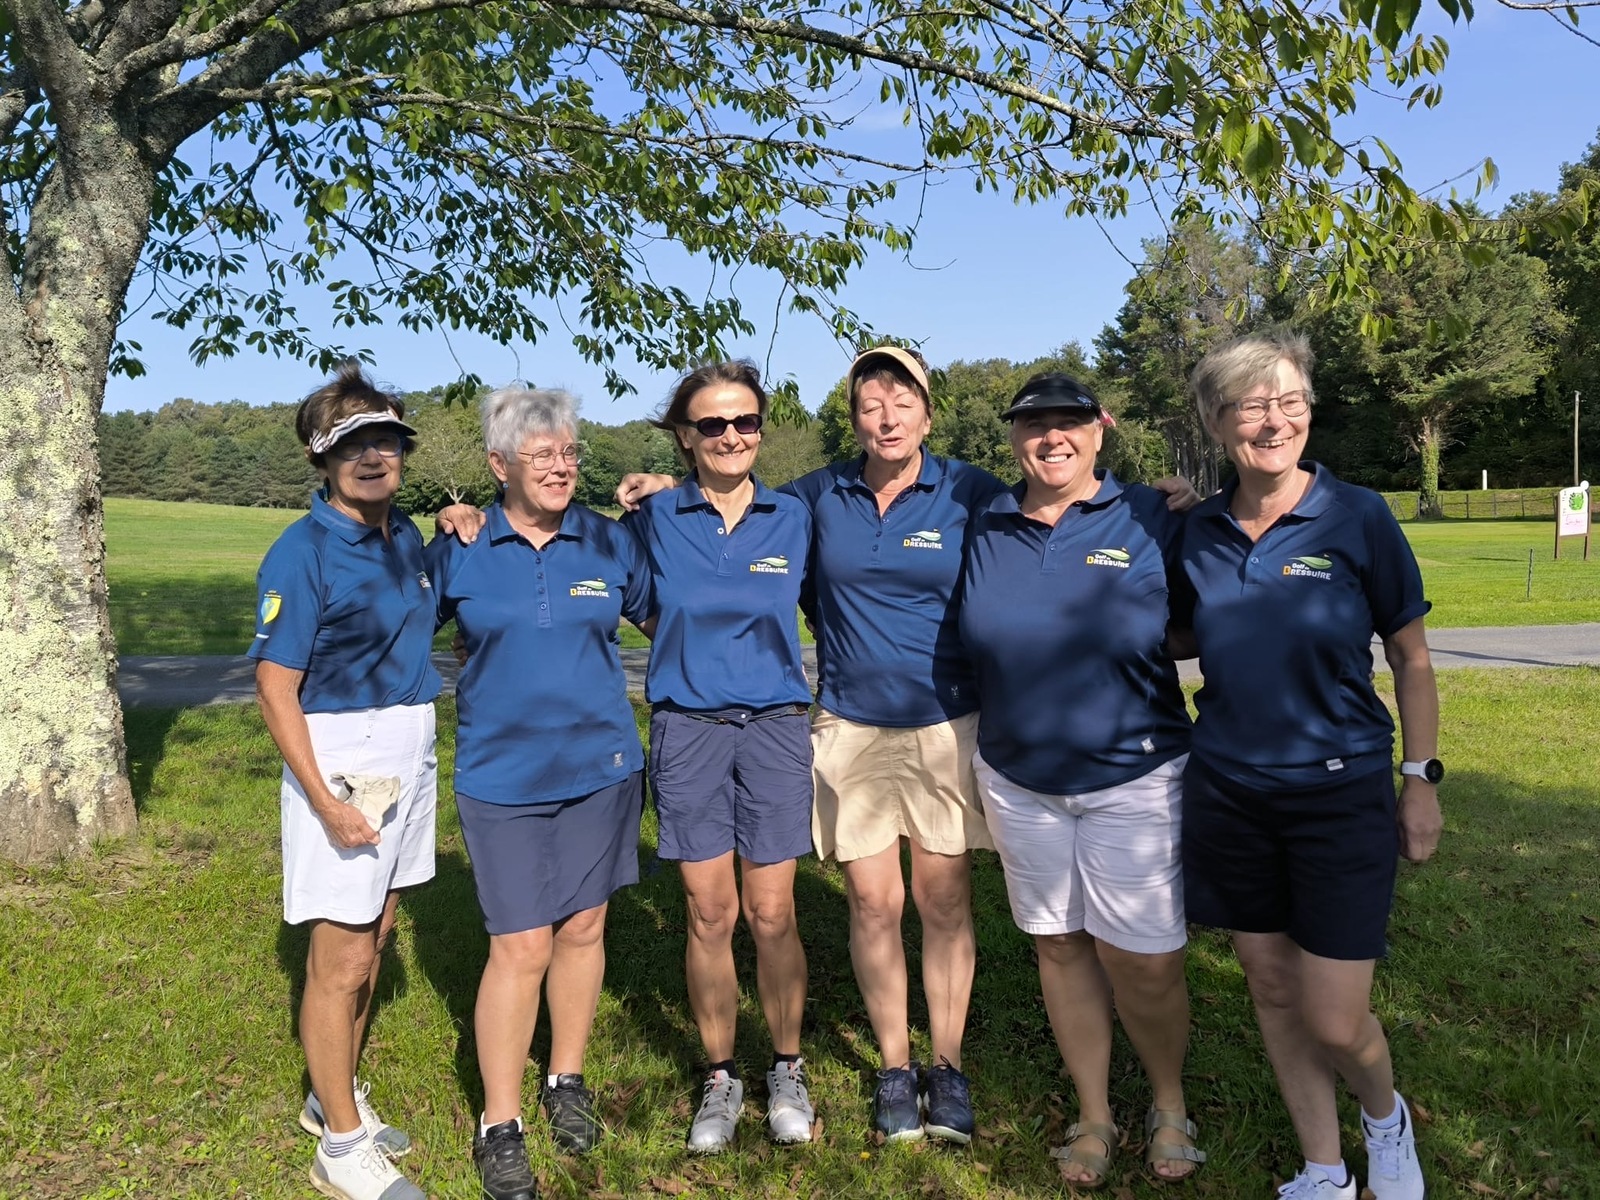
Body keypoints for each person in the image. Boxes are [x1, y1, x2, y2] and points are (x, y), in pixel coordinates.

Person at [617, 346, 1198, 1146]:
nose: (886, 418)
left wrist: (1165, 500)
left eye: (903, 402)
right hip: (851, 724)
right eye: (869, 405)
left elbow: (1059, 505)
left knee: (944, 901)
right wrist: (662, 488)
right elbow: (738, 507)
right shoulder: (819, 497)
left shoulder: (972, 491)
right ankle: (895, 1066)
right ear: (853, 418)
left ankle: (947, 1065)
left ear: (928, 411)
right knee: (873, 902)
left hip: (948, 722)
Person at [1179, 330, 1442, 1200]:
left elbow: (1410, 656)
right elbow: (1170, 624)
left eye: (1289, 400)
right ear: (1219, 422)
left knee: (1335, 1014)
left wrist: (1421, 778)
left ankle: (1384, 1116)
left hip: (1341, 791)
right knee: (1272, 988)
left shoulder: (1357, 514)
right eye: (1252, 405)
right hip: (1229, 791)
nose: (1274, 419)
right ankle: (1324, 1170)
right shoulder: (1198, 530)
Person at [957, 372, 1205, 1189]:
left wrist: (1195, 499)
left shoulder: (1149, 517)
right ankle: (1094, 1111)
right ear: (1014, 438)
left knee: (1144, 957)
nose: (1051, 438)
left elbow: (1213, 607)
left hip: (1132, 772)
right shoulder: (982, 521)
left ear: (1100, 431)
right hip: (1019, 774)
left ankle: (1168, 1102)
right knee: (1059, 946)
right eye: (1034, 425)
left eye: (1069, 423)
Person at [424, 387, 652, 1200]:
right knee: (521, 944)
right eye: (542, 454)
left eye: (570, 453)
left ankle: (566, 1078)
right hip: (502, 776)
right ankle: (500, 1120)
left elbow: (668, 617)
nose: (561, 467)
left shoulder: (605, 539)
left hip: (602, 768)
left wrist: (668, 506)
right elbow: (400, 631)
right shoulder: (461, 546)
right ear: (498, 466)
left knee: (584, 928)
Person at [250, 363, 439, 1200]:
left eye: (387, 440)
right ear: (321, 460)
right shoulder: (303, 550)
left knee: (378, 933)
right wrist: (324, 800)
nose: (373, 456)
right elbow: (275, 687)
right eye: (352, 443)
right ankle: (341, 1147)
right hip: (345, 754)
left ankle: (335, 1103)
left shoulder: (407, 538)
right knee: (342, 961)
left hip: (410, 745)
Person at [622, 360, 818, 1154]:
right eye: (712, 424)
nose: (731, 436)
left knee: (773, 913)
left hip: (774, 727)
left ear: (761, 430)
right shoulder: (655, 515)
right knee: (711, 913)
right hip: (689, 729)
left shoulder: (795, 516)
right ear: (684, 436)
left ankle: (787, 1067)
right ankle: (719, 1075)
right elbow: (632, 603)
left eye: (744, 422)